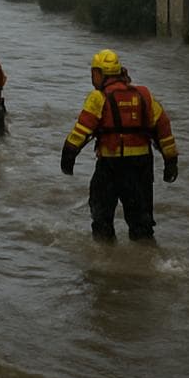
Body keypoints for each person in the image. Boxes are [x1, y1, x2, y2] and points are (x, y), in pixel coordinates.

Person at [58, 49, 180, 241]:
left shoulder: (98, 98)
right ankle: (145, 263)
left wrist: (68, 155)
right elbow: (163, 127)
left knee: (101, 219)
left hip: (111, 166)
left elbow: (81, 131)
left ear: (99, 74)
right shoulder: (144, 95)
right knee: (142, 224)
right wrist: (171, 160)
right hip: (141, 167)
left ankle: (105, 263)